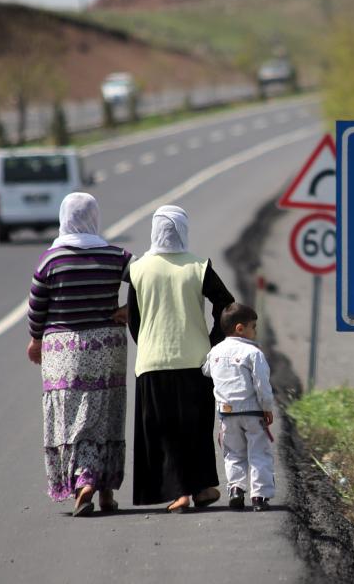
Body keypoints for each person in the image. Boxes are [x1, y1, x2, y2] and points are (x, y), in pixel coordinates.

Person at [26, 192, 131, 517]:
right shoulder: (117, 256)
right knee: (107, 412)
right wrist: (130, 308)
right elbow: (145, 283)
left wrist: (35, 340)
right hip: (107, 345)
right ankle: (106, 493)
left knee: (73, 418)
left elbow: (36, 306)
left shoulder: (50, 260)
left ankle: (82, 480)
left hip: (64, 350)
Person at [125, 204, 235, 513]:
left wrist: (147, 341)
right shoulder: (198, 266)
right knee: (195, 427)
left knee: (163, 429)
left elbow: (134, 319)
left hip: (152, 362)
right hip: (196, 360)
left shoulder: (137, 268)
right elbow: (225, 305)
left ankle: (180, 493)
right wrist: (214, 341)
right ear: (182, 230)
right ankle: (200, 488)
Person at [201, 303, 276, 511]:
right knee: (259, 452)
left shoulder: (215, 351)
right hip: (252, 412)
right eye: (253, 326)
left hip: (226, 414)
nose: (255, 331)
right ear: (240, 328)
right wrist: (267, 407)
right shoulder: (253, 353)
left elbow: (206, 371)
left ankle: (236, 489)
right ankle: (259, 496)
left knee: (233, 453)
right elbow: (262, 384)